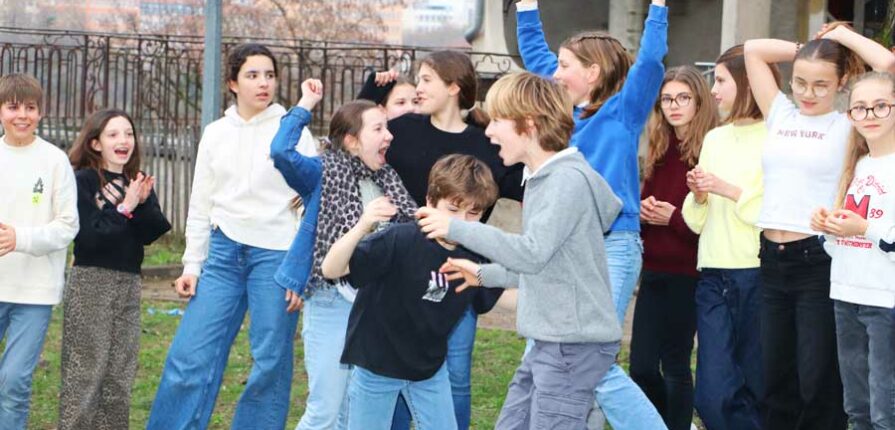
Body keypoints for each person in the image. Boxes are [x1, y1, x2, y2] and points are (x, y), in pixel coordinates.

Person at [417, 71, 622, 429]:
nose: (490, 131)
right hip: (551, 342)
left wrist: (454, 226)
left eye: (497, 120)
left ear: (528, 124)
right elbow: (543, 264)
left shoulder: (564, 181)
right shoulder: (546, 179)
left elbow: (531, 253)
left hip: (570, 347)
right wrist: (482, 274)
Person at [514, 0, 669, 426]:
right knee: (552, 353)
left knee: (588, 359)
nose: (555, 72)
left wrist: (657, 6)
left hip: (613, 245)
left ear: (593, 73)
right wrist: (527, 8)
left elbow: (653, 58)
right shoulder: (559, 113)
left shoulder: (625, 109)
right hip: (562, 247)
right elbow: (533, 52)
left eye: (564, 66)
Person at [147, 43, 315, 430]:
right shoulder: (216, 133)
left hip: (276, 258)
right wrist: (192, 263)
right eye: (253, 75)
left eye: (269, 75)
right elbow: (200, 202)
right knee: (188, 358)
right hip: (222, 255)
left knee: (270, 362)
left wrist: (299, 268)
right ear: (232, 84)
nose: (263, 83)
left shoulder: (293, 129)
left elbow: (310, 205)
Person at [744, 23, 895, 429]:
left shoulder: (849, 125)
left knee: (816, 380)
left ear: (841, 82)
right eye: (800, 83)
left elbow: (888, 67)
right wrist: (806, 49)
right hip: (771, 259)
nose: (807, 94)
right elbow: (754, 48)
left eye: (820, 85)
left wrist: (840, 38)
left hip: (817, 257)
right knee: (774, 377)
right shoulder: (779, 113)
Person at [383, 50, 523, 430]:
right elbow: (359, 153)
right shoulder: (402, 128)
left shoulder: (487, 144)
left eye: (427, 79)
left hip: (460, 275)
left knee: (455, 373)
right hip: (405, 270)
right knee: (395, 372)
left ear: (453, 87)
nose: (418, 87)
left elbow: (531, 187)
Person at [270, 79, 418, 430]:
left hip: (375, 305)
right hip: (331, 303)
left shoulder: (388, 179)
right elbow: (281, 152)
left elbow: (412, 228)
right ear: (352, 140)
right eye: (379, 128)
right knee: (325, 412)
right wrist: (305, 103)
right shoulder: (322, 171)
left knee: (355, 414)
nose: (390, 135)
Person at [319, 154, 498, 430]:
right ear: (429, 202)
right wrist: (362, 225)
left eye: (473, 213)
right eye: (452, 209)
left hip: (428, 370)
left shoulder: (477, 253)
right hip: (377, 366)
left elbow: (501, 297)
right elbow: (331, 269)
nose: (461, 221)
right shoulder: (398, 240)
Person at [682, 45, 777, 430]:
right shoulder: (714, 139)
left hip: (759, 273)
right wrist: (701, 195)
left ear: (748, 82)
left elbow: (774, 211)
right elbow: (695, 220)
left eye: (721, 80)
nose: (714, 90)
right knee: (712, 394)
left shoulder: (776, 135)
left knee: (757, 387)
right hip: (713, 276)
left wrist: (727, 189)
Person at [59, 109, 171, 430]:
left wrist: (144, 202)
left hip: (129, 283)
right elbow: (91, 236)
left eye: (129, 134)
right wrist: (125, 207)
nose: (124, 140)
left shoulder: (136, 182)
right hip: (91, 281)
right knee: (85, 371)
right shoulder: (82, 181)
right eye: (113, 135)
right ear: (95, 143)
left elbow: (151, 233)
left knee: (119, 372)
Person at [631, 66, 717, 430]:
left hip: (690, 273)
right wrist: (644, 214)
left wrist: (674, 220)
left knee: (675, 365)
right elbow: (644, 206)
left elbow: (715, 225)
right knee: (641, 367)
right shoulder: (657, 147)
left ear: (699, 101)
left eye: (683, 98)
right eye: (667, 99)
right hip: (653, 270)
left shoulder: (712, 150)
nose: (674, 106)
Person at [810, 71, 895, 430]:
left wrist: (862, 227)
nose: (870, 115)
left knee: (884, 410)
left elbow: (879, 235)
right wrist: (826, 229)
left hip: (886, 301)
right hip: (846, 294)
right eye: (860, 108)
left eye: (880, 106)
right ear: (850, 117)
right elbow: (843, 244)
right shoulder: (854, 166)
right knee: (856, 408)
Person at [0, 73, 79, 430]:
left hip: (34, 293)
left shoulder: (54, 160)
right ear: (1, 111)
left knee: (14, 381)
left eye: (30, 108)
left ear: (41, 113)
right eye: (13, 106)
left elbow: (67, 226)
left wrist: (21, 239)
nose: (22, 115)